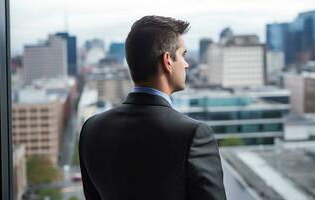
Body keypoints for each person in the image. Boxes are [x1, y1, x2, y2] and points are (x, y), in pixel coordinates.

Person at [79, 15, 227, 200]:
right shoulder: (193, 134)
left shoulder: (91, 129)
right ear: (167, 61)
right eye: (183, 55)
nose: (187, 64)